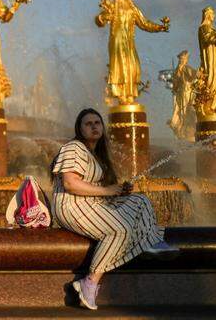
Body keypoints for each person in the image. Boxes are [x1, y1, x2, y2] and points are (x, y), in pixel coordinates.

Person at [50, 108, 178, 310]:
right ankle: (89, 283)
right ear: (79, 129)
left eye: (97, 123)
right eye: (88, 123)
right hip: (70, 204)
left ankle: (151, 240)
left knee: (140, 201)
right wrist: (108, 190)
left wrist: (119, 191)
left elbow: (100, 189)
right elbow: (70, 184)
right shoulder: (73, 147)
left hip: (90, 203)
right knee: (120, 230)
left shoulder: (96, 155)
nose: (94, 126)